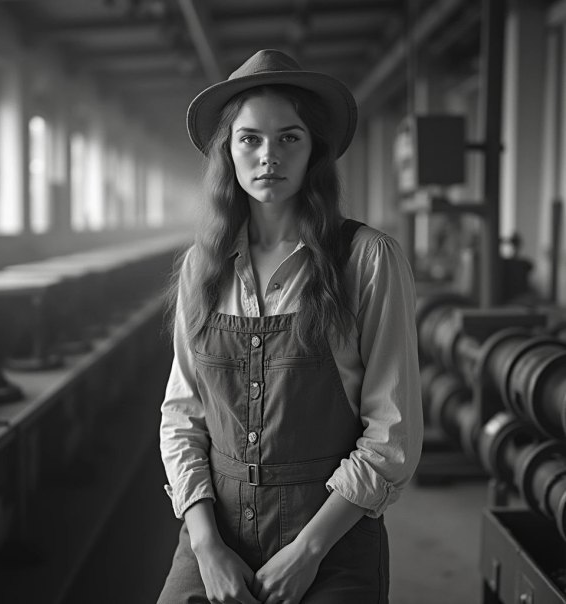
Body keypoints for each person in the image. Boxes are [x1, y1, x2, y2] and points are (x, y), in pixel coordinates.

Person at [158, 49, 423, 604]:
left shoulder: (367, 259)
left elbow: (392, 433)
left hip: (331, 532)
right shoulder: (203, 267)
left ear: (313, 151)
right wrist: (207, 548)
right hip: (218, 532)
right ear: (228, 152)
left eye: (289, 138)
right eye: (250, 138)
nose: (268, 156)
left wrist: (307, 553)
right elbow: (182, 415)